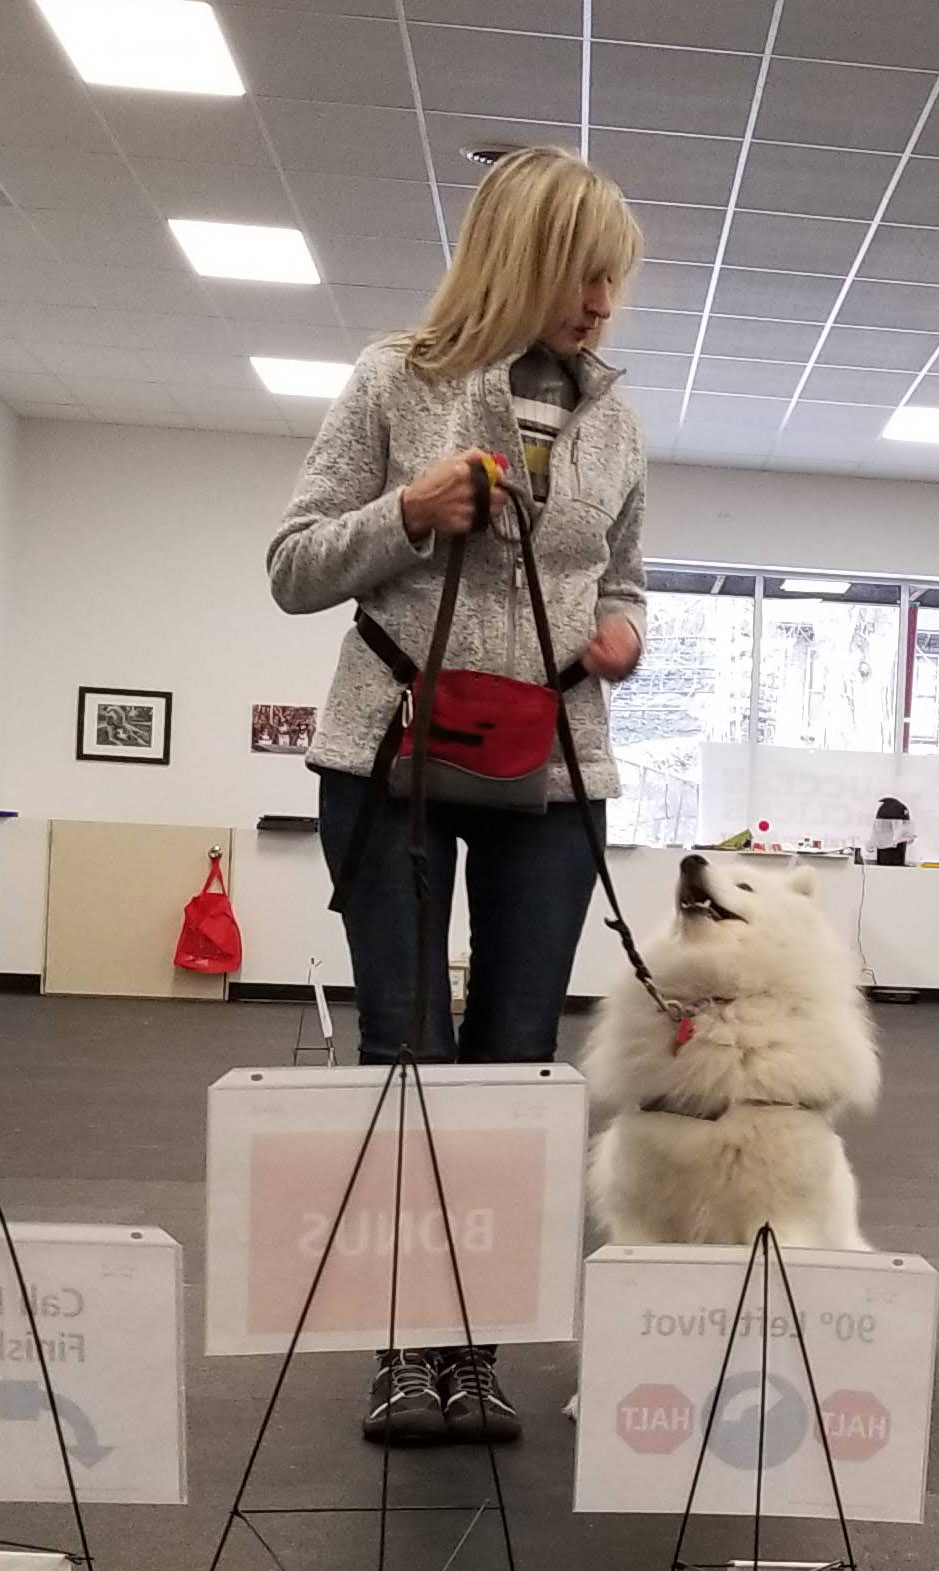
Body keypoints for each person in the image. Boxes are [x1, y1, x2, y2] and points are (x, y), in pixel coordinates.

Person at [268, 147, 648, 1447]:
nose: (601, 299)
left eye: (615, 277)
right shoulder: (396, 380)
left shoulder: (615, 417)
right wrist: (411, 510)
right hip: (395, 754)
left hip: (552, 773)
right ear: (516, 259)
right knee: (408, 1053)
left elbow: (633, 579)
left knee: (516, 1069)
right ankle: (399, 1343)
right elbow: (294, 564)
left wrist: (629, 637)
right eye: (580, 270)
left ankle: (471, 1343)